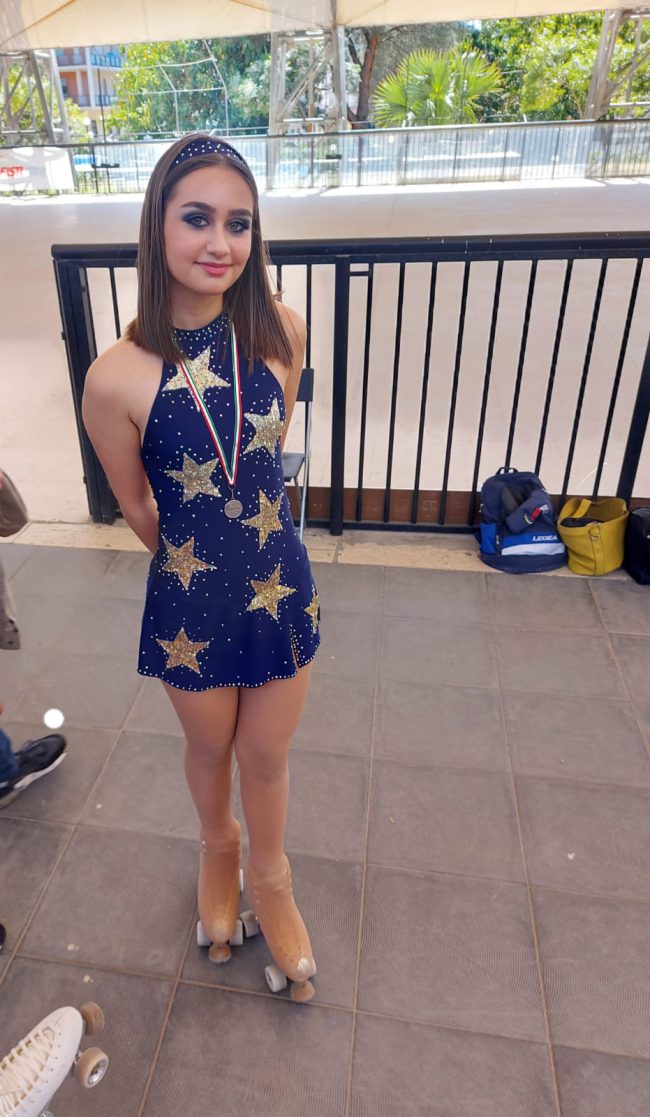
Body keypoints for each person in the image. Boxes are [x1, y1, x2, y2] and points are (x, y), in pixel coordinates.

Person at [82, 133, 320, 1002]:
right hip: (191, 598)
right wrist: (196, 562)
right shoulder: (114, 378)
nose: (221, 242)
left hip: (278, 583)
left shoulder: (281, 330)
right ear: (158, 225)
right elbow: (139, 507)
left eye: (239, 222)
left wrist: (246, 547)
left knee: (266, 753)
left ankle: (272, 876)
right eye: (197, 218)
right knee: (210, 745)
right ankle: (220, 846)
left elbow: (265, 461)